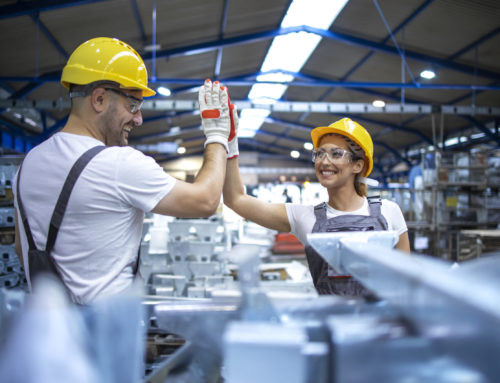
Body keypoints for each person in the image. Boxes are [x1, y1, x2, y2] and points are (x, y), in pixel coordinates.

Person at [13, 37, 233, 305]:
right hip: (106, 338)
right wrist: (217, 135)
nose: (138, 119)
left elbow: (21, 250)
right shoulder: (118, 165)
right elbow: (206, 200)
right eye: (133, 104)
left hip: (48, 334)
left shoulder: (27, 166)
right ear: (100, 98)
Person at [223, 115, 410, 299]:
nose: (324, 161)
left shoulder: (388, 212)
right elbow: (236, 200)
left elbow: (406, 281)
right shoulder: (305, 218)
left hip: (382, 324)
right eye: (320, 153)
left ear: (358, 165)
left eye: (336, 154)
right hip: (330, 325)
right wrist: (229, 143)